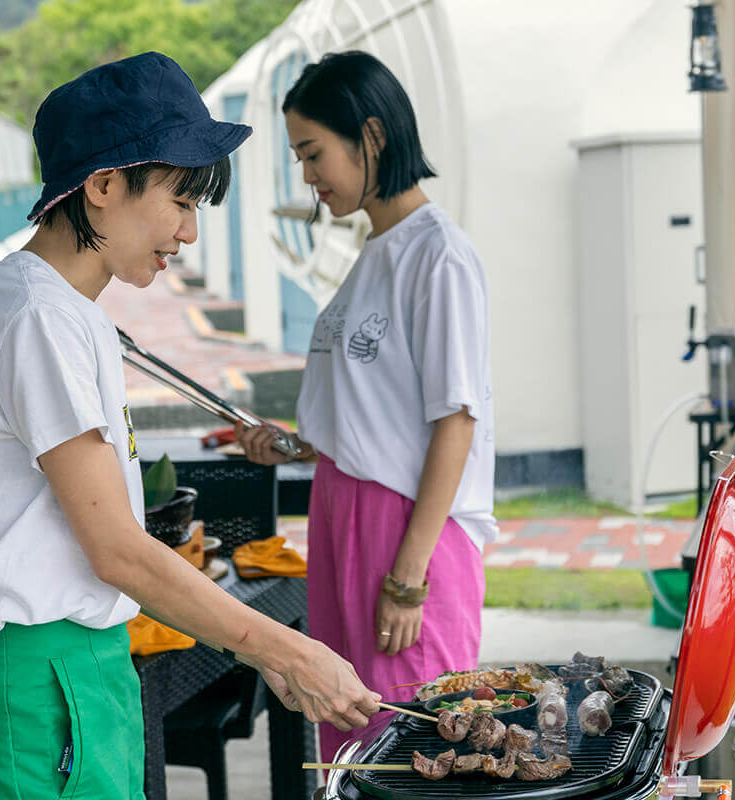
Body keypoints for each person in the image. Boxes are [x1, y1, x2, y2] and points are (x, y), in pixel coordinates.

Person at [0, 52, 379, 799]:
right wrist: (284, 650)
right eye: (180, 201)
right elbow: (119, 553)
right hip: (38, 694)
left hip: (70, 678)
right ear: (103, 186)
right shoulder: (39, 319)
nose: (189, 233)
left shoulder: (49, 308)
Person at [238, 50, 497, 760]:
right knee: (349, 731)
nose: (308, 176)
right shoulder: (375, 253)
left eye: (314, 153)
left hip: (406, 534)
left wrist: (408, 581)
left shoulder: (437, 256)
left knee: (415, 741)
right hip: (342, 514)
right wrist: (292, 444)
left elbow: (457, 421)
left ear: (372, 137)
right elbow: (374, 417)